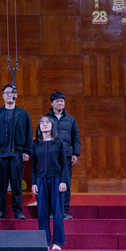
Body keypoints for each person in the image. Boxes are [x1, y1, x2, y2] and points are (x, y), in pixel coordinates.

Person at [0, 84, 32, 220]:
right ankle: (0, 211)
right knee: (0, 185)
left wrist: (27, 151)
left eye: (12, 92)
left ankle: (18, 211)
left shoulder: (23, 114)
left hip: (17, 154)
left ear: (16, 95)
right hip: (0, 154)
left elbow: (29, 133)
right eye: (6, 93)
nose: (9, 95)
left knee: (16, 184)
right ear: (3, 95)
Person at [31, 116, 68, 250]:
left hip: (56, 180)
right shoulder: (35, 144)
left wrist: (63, 181)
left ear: (52, 126)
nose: (45, 124)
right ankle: (45, 242)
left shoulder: (59, 143)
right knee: (42, 212)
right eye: (42, 122)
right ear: (39, 127)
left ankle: (57, 242)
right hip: (40, 181)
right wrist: (34, 183)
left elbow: (64, 163)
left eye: (47, 122)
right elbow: (33, 165)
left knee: (57, 211)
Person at [45, 91, 80, 220]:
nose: (60, 103)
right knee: (50, 183)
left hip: (66, 155)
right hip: (50, 156)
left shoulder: (71, 120)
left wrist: (75, 153)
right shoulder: (46, 119)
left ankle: (64, 210)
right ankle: (51, 210)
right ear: (52, 103)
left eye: (62, 101)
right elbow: (40, 137)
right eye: (57, 101)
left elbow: (76, 137)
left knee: (65, 183)